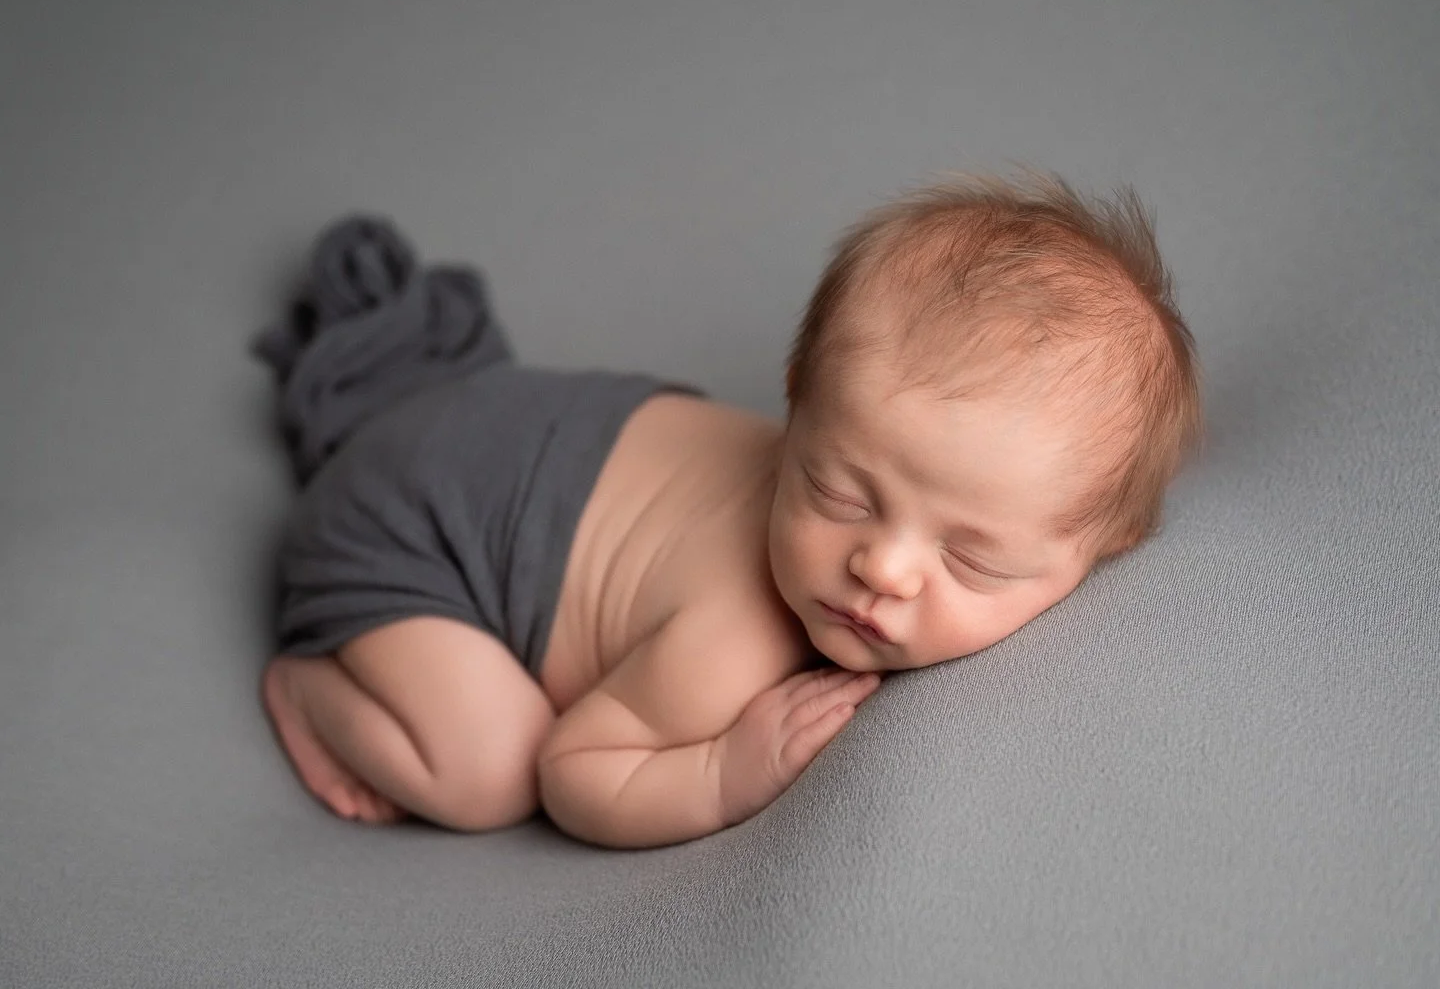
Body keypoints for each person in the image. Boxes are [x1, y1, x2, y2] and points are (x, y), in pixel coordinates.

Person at [255, 170, 1202, 849]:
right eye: (837, 491)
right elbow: (574, 771)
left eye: (974, 560)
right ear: (796, 402)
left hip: (504, 434)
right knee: (488, 772)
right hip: (400, 524)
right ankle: (307, 683)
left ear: (1106, 544)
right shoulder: (734, 638)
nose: (883, 569)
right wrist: (718, 774)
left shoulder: (939, 508)